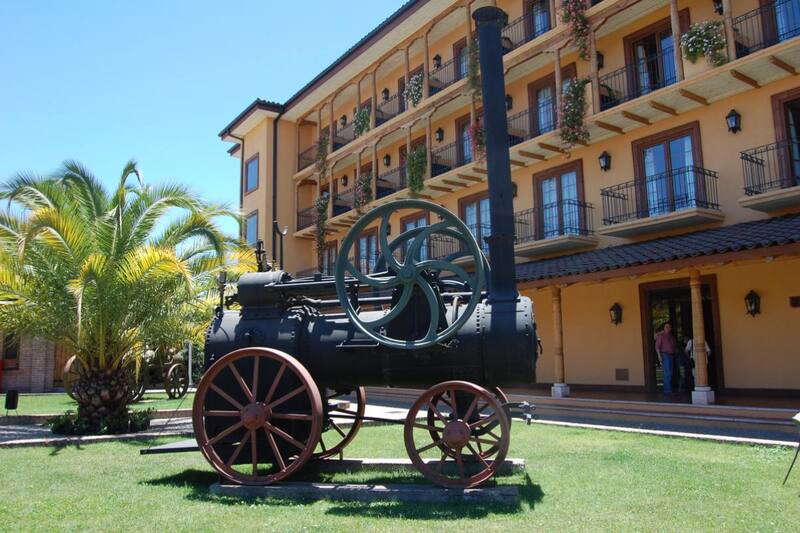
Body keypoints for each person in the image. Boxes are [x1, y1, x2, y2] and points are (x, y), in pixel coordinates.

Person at [655, 322, 677, 395]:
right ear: (664, 328)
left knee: (671, 373)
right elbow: (657, 347)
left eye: (669, 327)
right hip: (665, 355)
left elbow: (674, 346)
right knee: (667, 373)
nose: (668, 328)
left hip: (671, 355)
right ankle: (667, 390)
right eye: (666, 327)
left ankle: (669, 389)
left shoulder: (671, 337)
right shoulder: (661, 336)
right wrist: (659, 356)